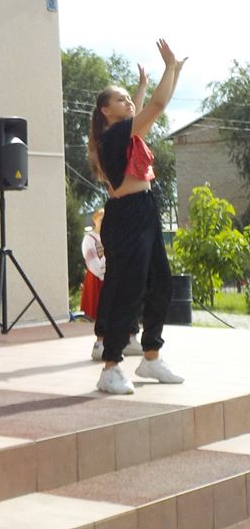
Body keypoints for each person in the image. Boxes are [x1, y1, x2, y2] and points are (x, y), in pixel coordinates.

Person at [87, 39, 187, 395]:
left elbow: (149, 107)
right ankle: (110, 366)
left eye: (129, 98)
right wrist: (169, 68)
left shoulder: (128, 135)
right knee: (127, 291)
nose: (128, 102)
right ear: (105, 110)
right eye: (120, 99)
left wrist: (166, 76)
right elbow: (156, 106)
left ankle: (151, 356)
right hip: (126, 217)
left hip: (146, 209)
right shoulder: (112, 137)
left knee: (161, 284)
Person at [84, 207, 143, 361]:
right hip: (104, 275)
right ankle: (101, 342)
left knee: (130, 300)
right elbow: (93, 261)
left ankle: (130, 338)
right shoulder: (91, 238)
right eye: (100, 219)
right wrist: (104, 271)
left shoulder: (117, 232)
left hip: (119, 271)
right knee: (107, 303)